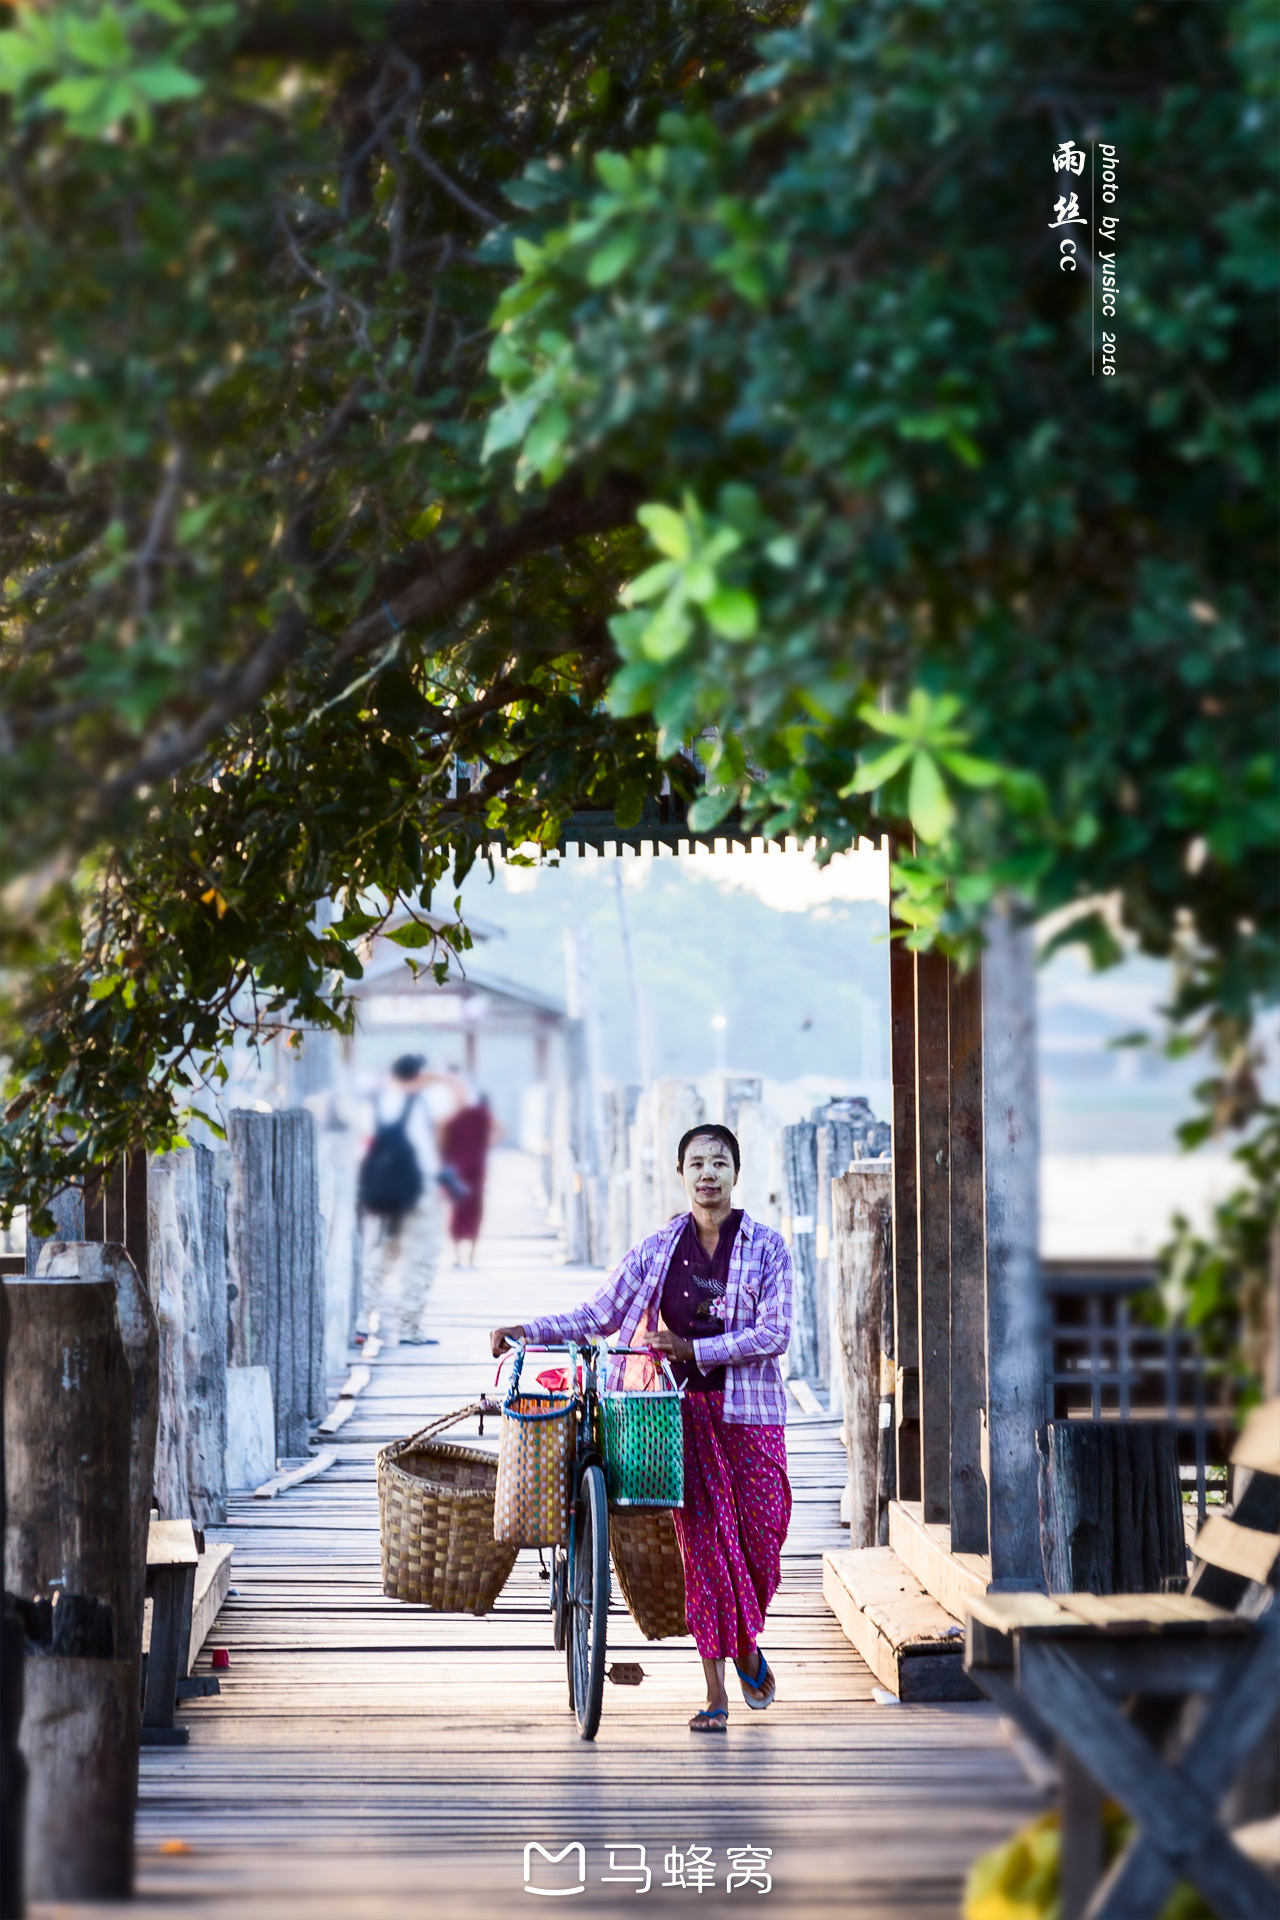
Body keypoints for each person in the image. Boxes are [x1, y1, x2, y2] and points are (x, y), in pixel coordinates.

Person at [491, 1123, 793, 1733]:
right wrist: (530, 1330)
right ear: (680, 1175)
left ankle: (744, 1644)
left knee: (762, 1543)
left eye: (719, 1163)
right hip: (675, 1418)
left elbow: (775, 1333)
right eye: (696, 1164)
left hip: (751, 1417)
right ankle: (715, 1693)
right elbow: (599, 1314)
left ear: (738, 1174)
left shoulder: (768, 1248)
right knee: (706, 1552)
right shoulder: (658, 1250)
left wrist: (693, 1347)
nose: (707, 1174)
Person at [360, 1054, 462, 1345]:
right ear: (419, 1074)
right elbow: (459, 1094)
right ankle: (408, 1327)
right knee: (421, 1260)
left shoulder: (378, 1102)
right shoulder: (427, 1100)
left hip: (386, 1194)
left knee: (383, 1255)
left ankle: (359, 1319)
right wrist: (437, 1078)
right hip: (420, 1194)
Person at [441, 1085, 501, 1267]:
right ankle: (457, 1257)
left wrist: (483, 1145)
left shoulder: (479, 1114)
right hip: (455, 1171)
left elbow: (499, 1130)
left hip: (475, 1169)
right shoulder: (447, 1116)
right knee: (455, 1212)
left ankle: (472, 1257)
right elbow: (441, 1142)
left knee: (475, 1211)